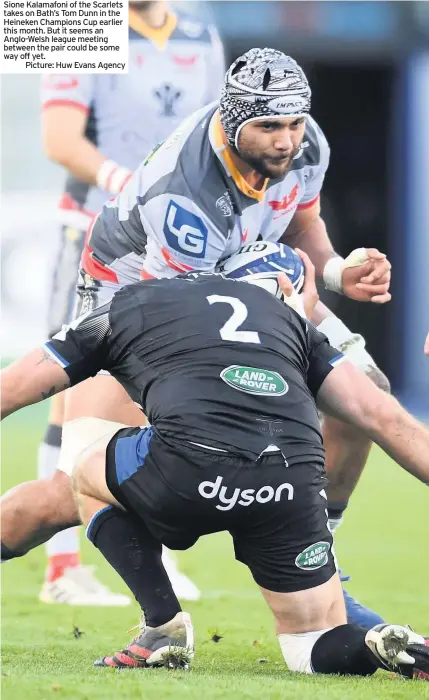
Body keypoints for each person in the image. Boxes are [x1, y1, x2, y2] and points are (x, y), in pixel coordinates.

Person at [1, 48, 389, 624]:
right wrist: (289, 325)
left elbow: (303, 221)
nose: (287, 141)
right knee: (70, 490)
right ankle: (153, 613)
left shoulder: (303, 141)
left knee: (366, 393)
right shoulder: (184, 192)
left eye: (294, 123)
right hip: (133, 299)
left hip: (244, 278)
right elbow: (193, 321)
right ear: (231, 122)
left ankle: (318, 565)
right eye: (269, 126)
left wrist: (334, 272)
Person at [1, 245, 428, 679]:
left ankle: (162, 628)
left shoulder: (130, 303)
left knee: (84, 463)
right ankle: (373, 646)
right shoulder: (294, 324)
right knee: (313, 643)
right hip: (288, 484)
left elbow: (13, 388)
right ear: (284, 287)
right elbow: (383, 416)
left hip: (186, 471)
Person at [33, 0, 224, 605]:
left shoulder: (202, 29)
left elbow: (214, 136)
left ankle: (154, 554)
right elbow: (58, 140)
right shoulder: (70, 21)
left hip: (171, 241)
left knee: (157, 383)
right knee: (69, 385)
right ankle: (62, 570)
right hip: (94, 230)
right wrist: (132, 185)